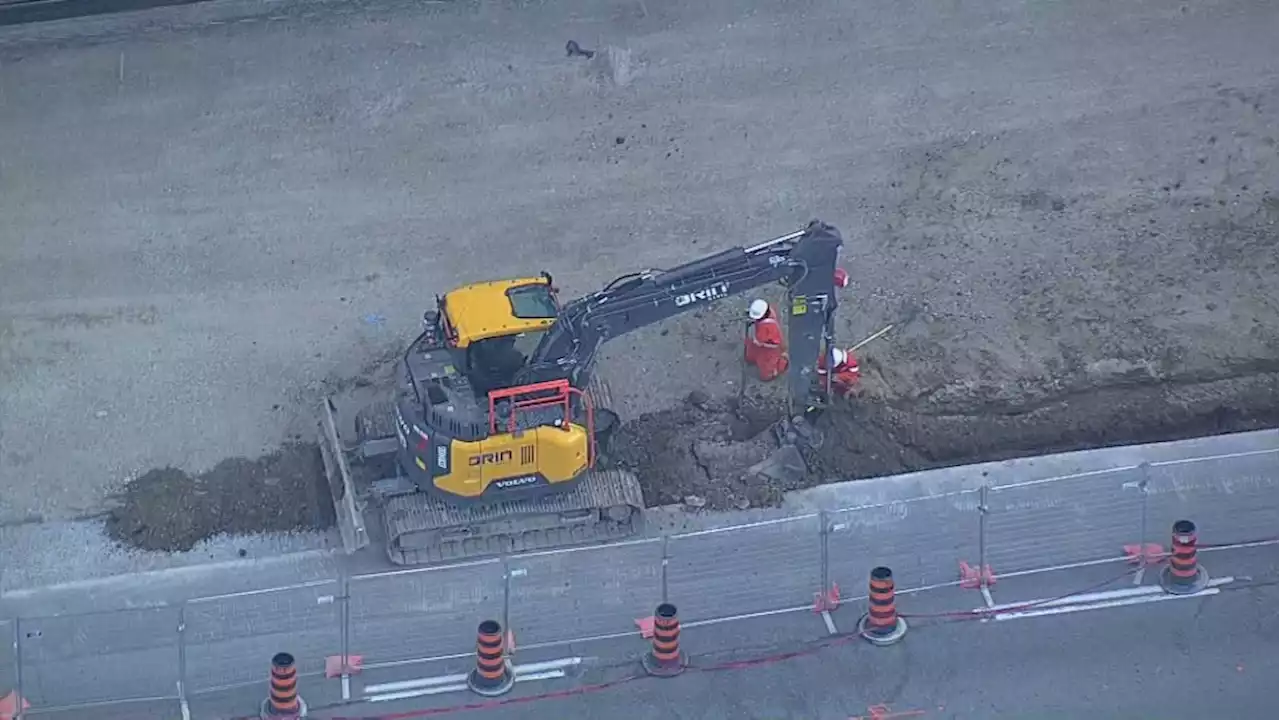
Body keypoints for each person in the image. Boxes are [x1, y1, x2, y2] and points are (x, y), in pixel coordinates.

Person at [744, 298, 789, 382]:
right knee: (750, 352)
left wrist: (760, 343)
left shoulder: (769, 327)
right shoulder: (769, 311)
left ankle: (782, 364)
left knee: (766, 373)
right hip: (761, 344)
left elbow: (774, 343)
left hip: (769, 350)